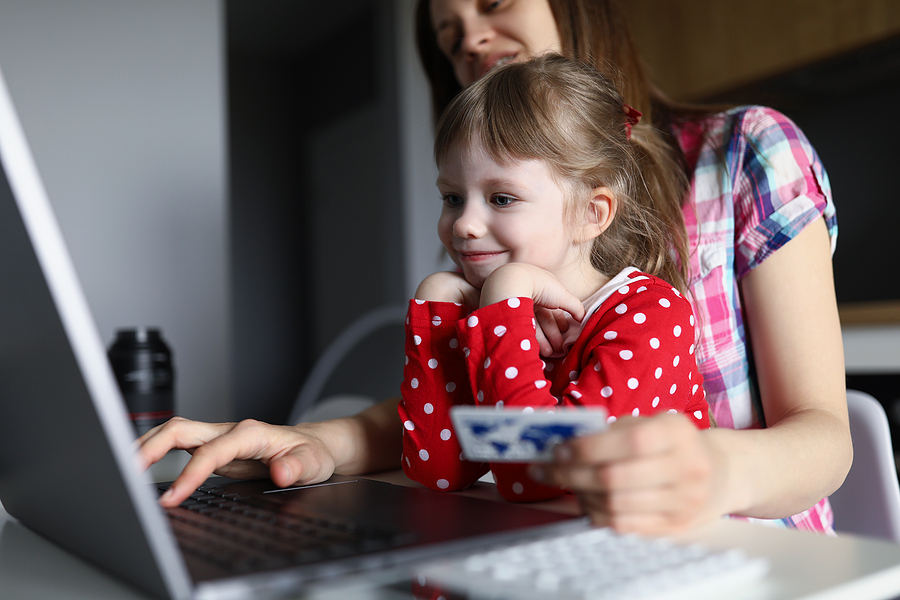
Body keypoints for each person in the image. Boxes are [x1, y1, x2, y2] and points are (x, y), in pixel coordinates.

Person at [142, 0, 850, 536]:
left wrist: (716, 469)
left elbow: (821, 435)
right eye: (449, 37)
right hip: (561, 541)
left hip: (737, 556)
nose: (471, 40)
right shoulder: (502, 230)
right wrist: (315, 445)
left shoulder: (743, 153)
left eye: (493, 2)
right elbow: (476, 426)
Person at [400, 55, 709, 502]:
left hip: (664, 554)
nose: (464, 224)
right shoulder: (488, 314)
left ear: (591, 214)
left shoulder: (651, 315)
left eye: (501, 198)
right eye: (452, 197)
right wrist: (437, 313)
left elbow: (540, 476)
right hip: (554, 550)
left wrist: (505, 297)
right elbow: (438, 472)